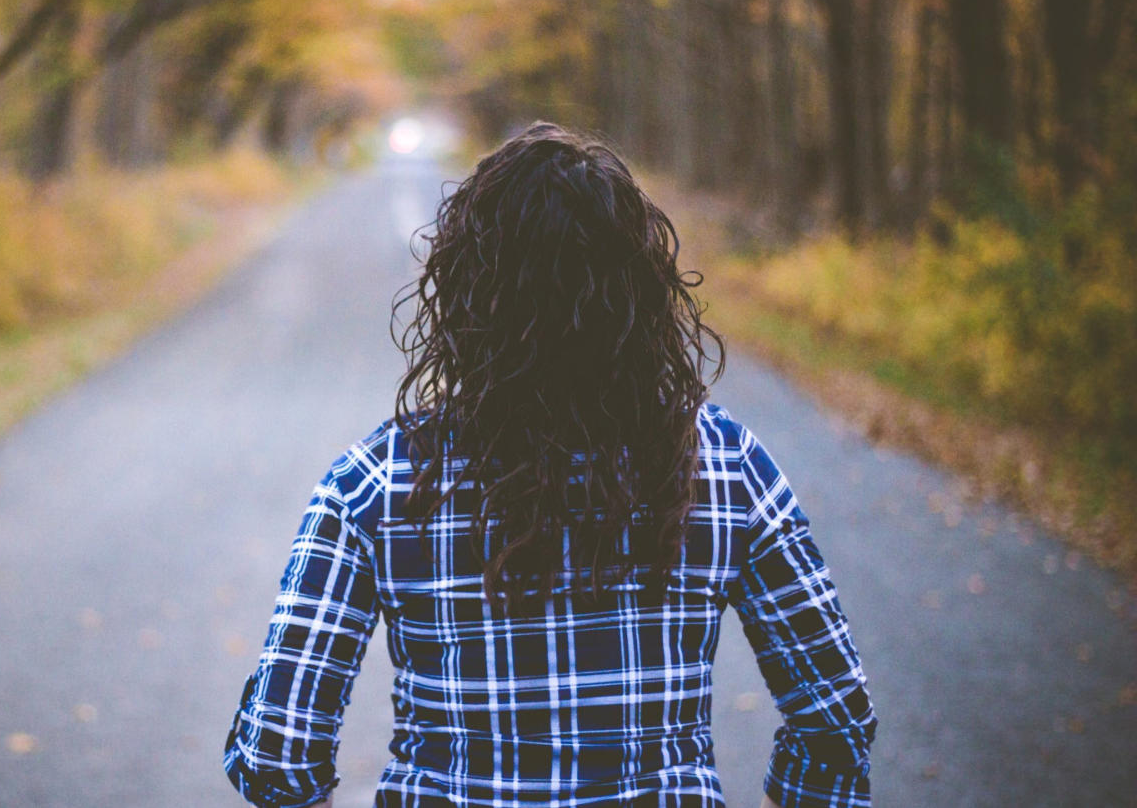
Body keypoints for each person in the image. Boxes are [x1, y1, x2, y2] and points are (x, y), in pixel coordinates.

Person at [222, 122, 877, 808]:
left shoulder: (375, 484)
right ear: (641, 290)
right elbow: (836, 717)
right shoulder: (724, 465)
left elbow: (279, 750)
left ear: (465, 291)